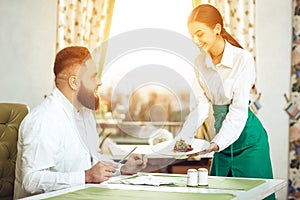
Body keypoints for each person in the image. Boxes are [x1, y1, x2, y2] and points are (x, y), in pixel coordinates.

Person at [14, 46, 148, 199]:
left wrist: (123, 168)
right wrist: (86, 176)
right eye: (93, 77)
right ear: (74, 82)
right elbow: (31, 180)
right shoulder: (43, 120)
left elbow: (93, 162)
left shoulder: (85, 114)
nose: (99, 82)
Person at [176, 4, 274, 199]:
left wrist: (216, 143)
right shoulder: (199, 62)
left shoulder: (242, 59)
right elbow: (201, 105)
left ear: (217, 29)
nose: (196, 40)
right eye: (192, 35)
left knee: (255, 196)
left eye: (200, 33)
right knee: (218, 195)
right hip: (221, 141)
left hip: (249, 142)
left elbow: (238, 111)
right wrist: (183, 139)